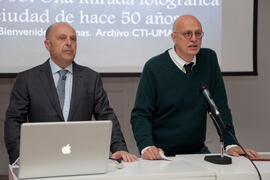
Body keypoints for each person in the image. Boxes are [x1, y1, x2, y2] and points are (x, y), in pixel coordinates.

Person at [5, 22, 138, 164]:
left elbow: (106, 115)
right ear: (47, 44)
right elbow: (14, 120)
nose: (69, 43)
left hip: (80, 158)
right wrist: (19, 156)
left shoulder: (90, 78)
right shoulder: (27, 79)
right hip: (41, 159)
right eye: (62, 38)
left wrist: (119, 147)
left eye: (73, 39)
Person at [130, 15, 259, 160]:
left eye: (198, 33)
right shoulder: (154, 67)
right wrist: (147, 147)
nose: (194, 39)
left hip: (197, 150)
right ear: (174, 37)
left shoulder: (209, 59)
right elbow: (140, 114)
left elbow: (219, 106)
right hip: (161, 153)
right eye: (187, 34)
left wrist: (231, 144)